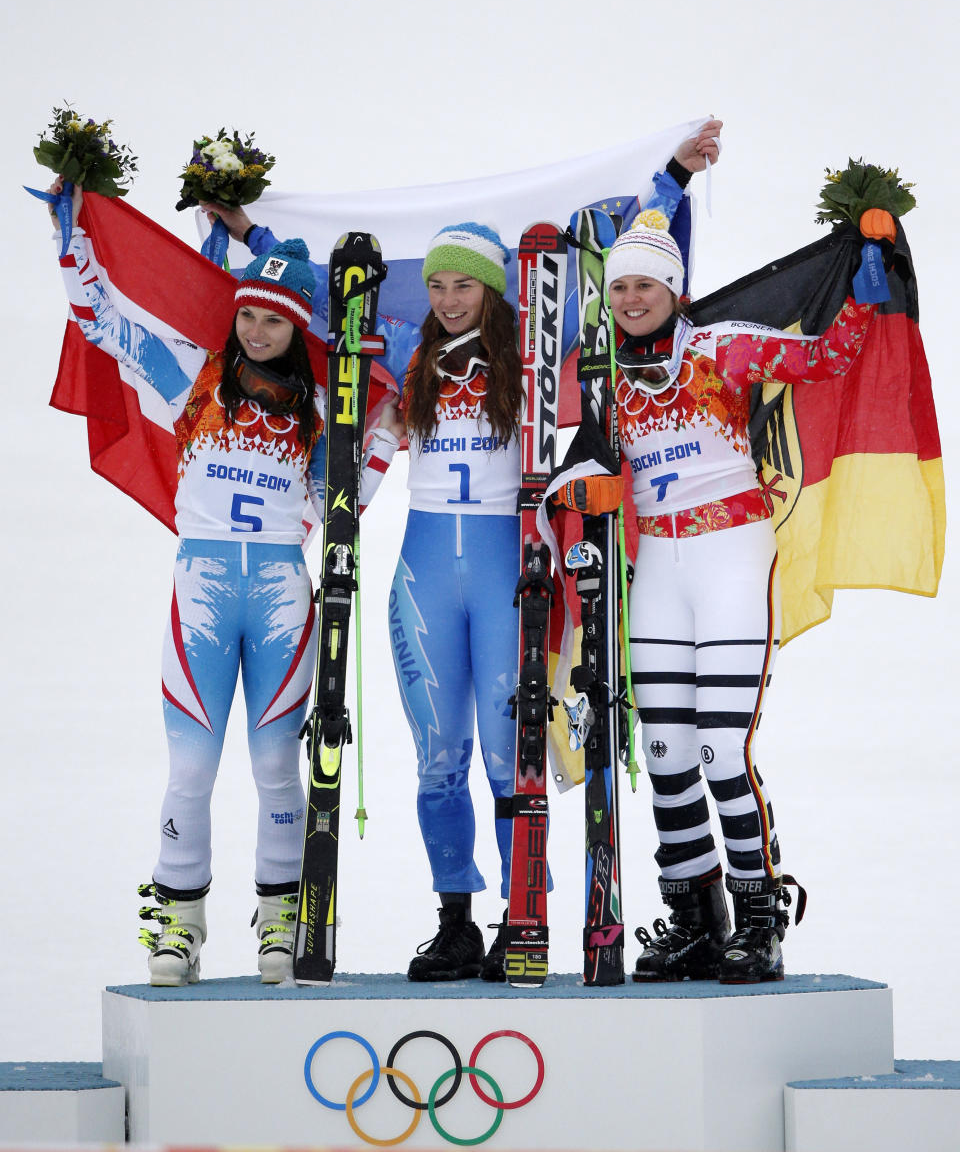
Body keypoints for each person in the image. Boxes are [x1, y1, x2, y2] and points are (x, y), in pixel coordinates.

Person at [205, 123, 724, 982]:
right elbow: (328, 303)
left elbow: (618, 264)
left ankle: (523, 913)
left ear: (493, 294)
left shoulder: (533, 357)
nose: (447, 299)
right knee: (437, 757)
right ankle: (455, 920)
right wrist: (250, 237)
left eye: (463, 287)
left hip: (503, 570)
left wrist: (671, 177)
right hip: (421, 578)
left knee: (504, 753)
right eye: (438, 285)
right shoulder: (409, 356)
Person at [41, 179, 393, 986]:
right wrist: (70, 235)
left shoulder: (316, 413)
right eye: (248, 313)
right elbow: (104, 322)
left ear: (296, 326)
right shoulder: (194, 381)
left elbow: (338, 507)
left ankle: (278, 921)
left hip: (278, 593)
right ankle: (177, 923)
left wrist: (380, 442)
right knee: (191, 769)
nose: (258, 328)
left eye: (274, 318)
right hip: (201, 588)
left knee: (277, 763)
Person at [598, 210, 880, 983]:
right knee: (666, 754)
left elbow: (825, 360)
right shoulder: (602, 375)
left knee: (724, 748)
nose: (631, 297)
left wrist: (864, 287)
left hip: (730, 552)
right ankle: (695, 917)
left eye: (645, 284)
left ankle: (760, 918)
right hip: (657, 560)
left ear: (673, 290)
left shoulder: (721, 346)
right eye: (619, 285)